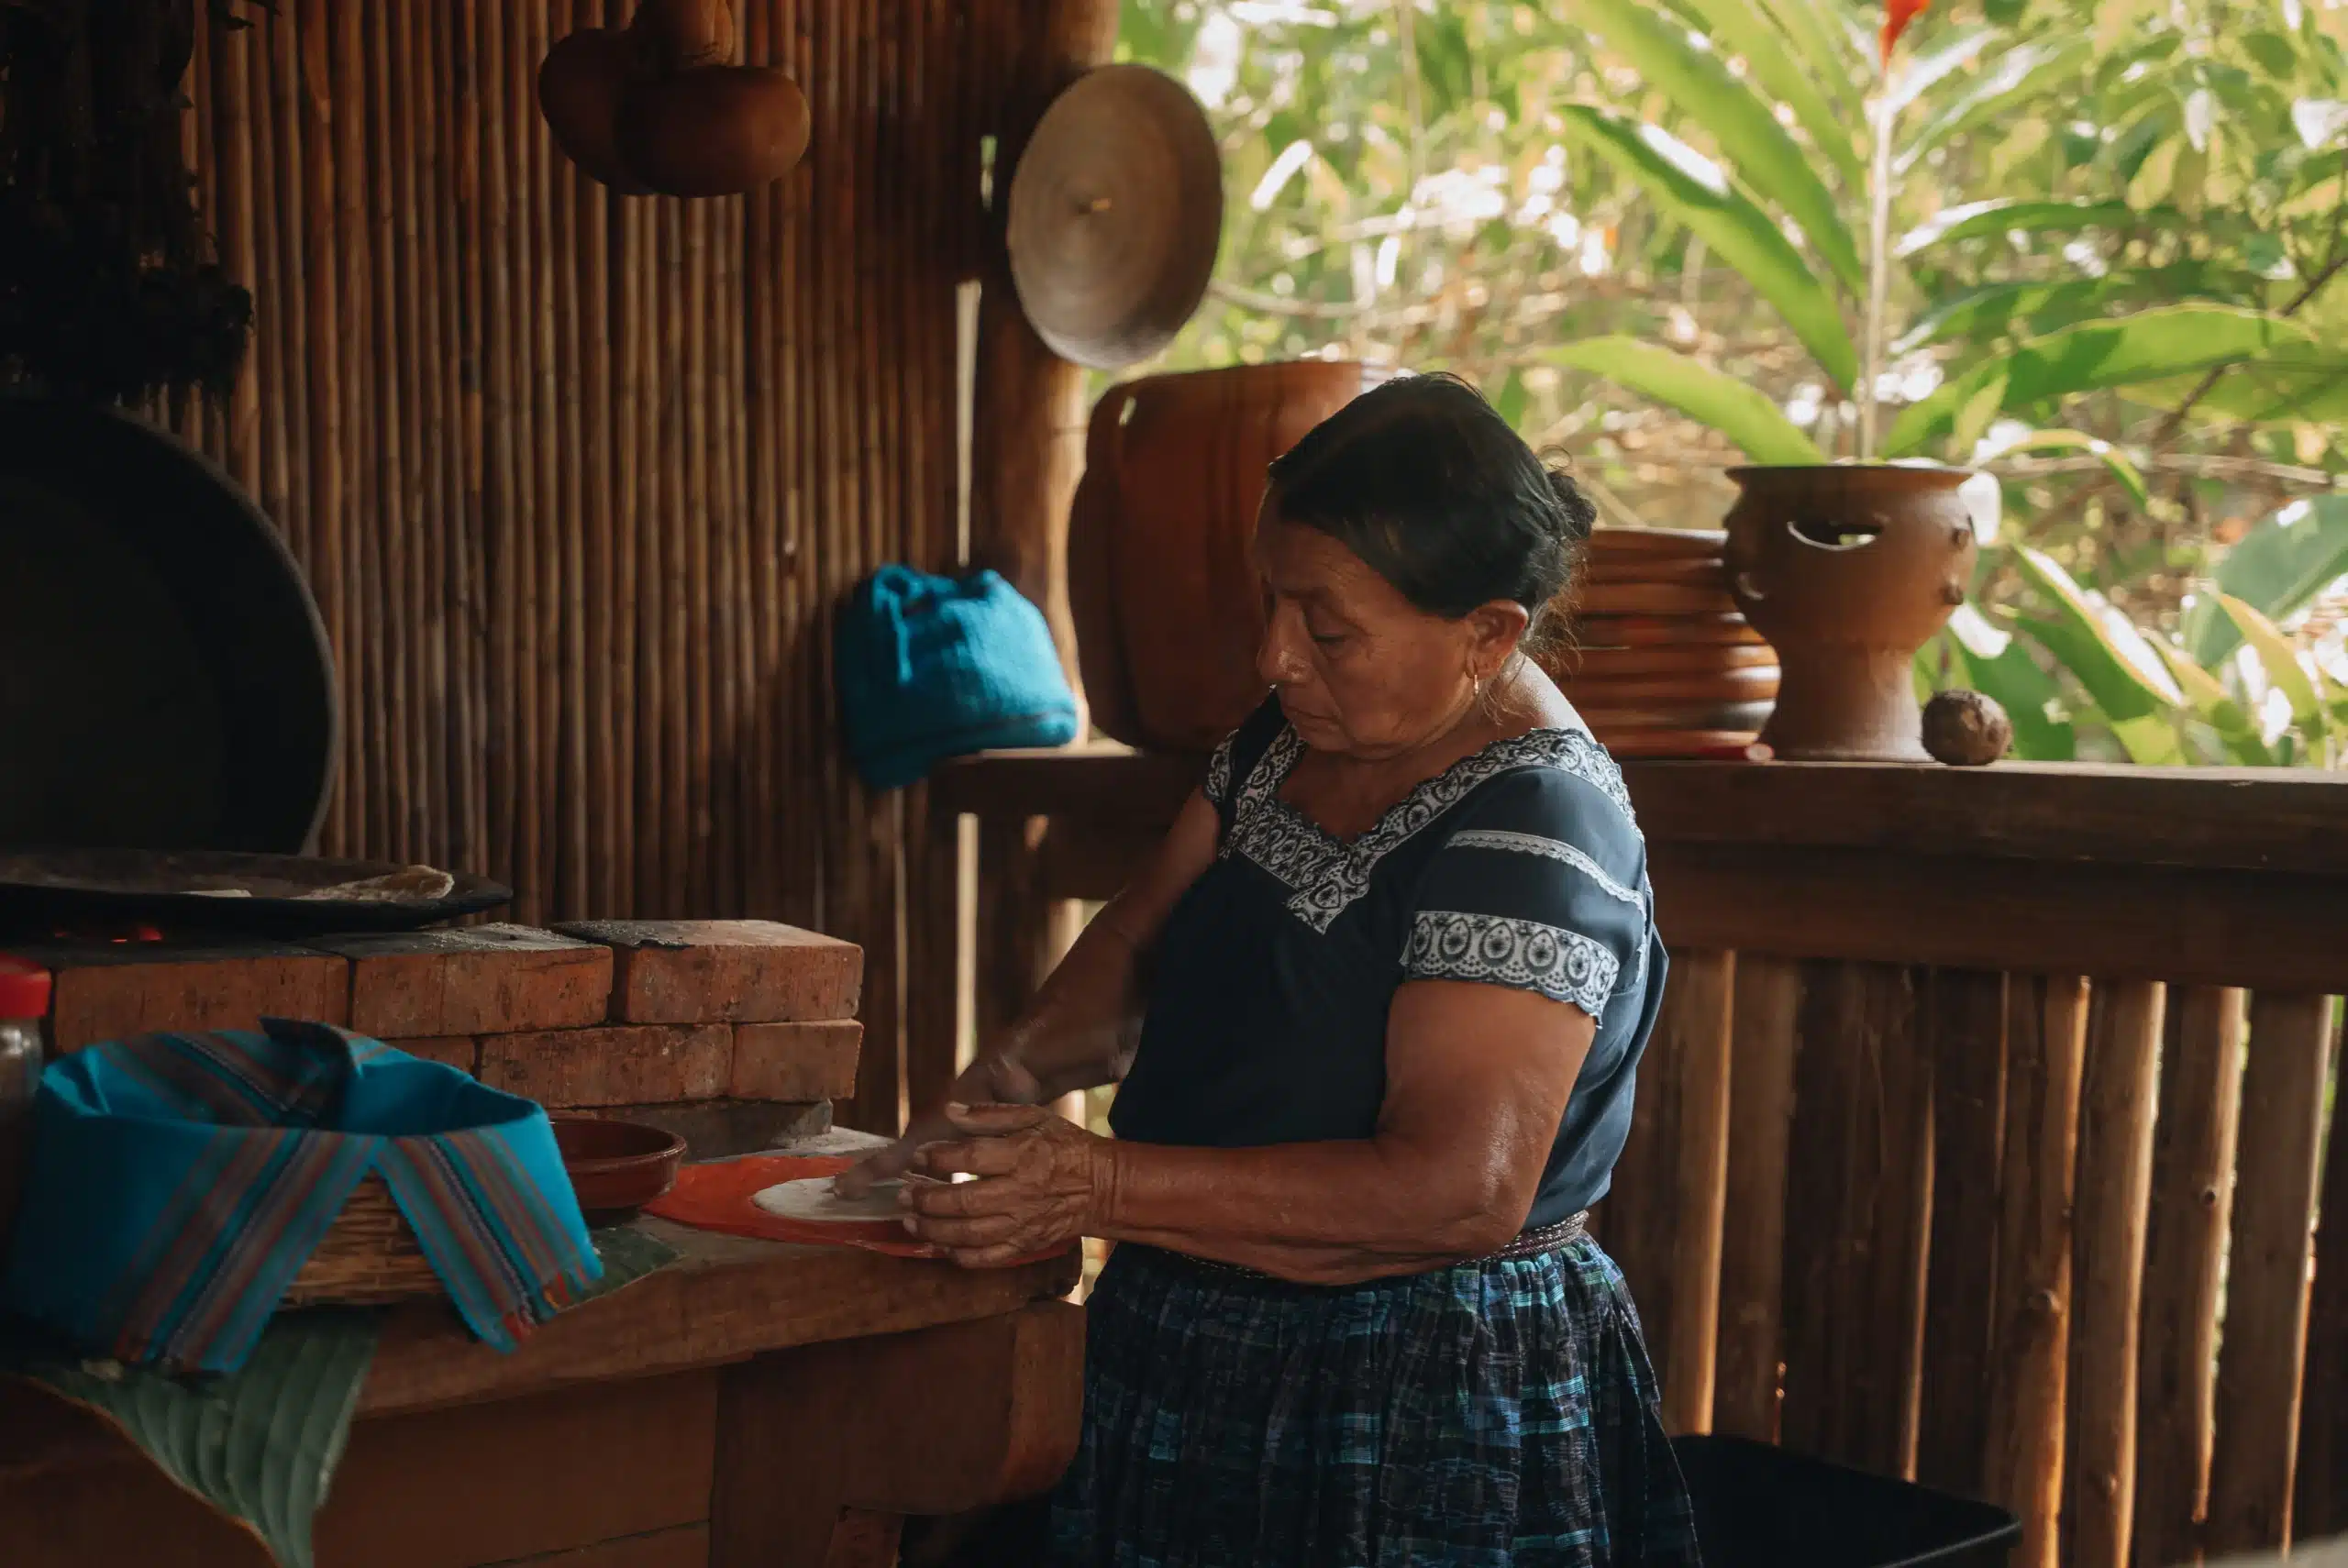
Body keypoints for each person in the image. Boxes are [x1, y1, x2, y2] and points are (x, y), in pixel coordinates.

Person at [839, 372, 1702, 1566]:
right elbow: (1142, 935)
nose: (1275, 652)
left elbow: (1456, 1187)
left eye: (1326, 626)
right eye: (1273, 601)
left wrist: (1095, 1184)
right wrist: (993, 1090)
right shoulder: (1291, 733)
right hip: (1188, 1341)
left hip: (1410, 1393)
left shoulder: (1537, 825)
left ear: (1488, 633)